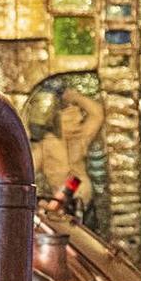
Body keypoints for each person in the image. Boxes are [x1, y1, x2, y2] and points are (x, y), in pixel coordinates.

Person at [30, 87, 104, 220]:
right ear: (56, 120)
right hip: (60, 206)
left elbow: (97, 113)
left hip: (80, 200)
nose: (79, 119)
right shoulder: (46, 146)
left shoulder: (80, 138)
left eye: (80, 117)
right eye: (70, 118)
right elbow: (27, 169)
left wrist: (75, 97)